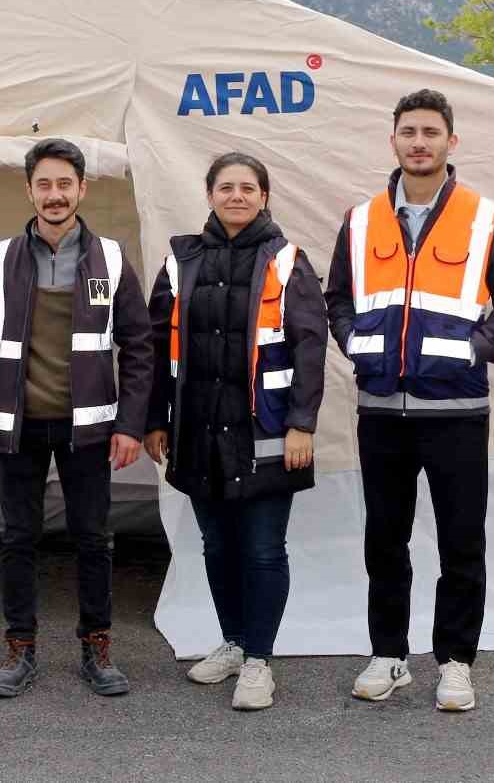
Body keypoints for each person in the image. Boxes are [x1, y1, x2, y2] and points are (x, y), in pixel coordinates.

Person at [325, 87, 494, 713]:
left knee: (460, 543)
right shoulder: (360, 220)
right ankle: (389, 654)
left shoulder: (487, 217)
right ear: (392, 140)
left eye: (430, 132)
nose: (420, 143)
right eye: (409, 132)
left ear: (452, 141)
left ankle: (454, 662)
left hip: (457, 413)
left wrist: (475, 349)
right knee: (384, 540)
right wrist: (357, 345)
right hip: (380, 412)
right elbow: (338, 297)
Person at [0, 137, 154, 698]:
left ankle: (97, 647)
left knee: (93, 538)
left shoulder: (111, 258)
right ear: (28, 190)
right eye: (43, 184)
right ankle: (19, 650)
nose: (54, 194)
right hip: (19, 426)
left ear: (82, 189)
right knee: (18, 539)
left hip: (88, 429)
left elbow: (138, 346)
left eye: (64, 184)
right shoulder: (1, 259)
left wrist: (130, 425)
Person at [145, 152, 328, 711]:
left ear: (265, 196)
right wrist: (155, 419)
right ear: (209, 195)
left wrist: (302, 424)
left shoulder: (287, 260)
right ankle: (232, 641)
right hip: (197, 432)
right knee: (217, 546)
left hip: (267, 434)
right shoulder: (181, 260)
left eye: (249, 187)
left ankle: (259, 661)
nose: (237, 196)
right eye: (226, 187)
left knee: (264, 550)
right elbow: (153, 347)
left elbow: (310, 347)